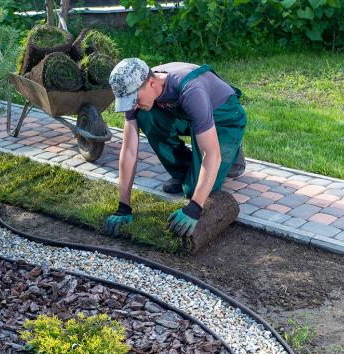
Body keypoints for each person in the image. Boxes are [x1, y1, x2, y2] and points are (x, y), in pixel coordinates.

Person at [104, 58, 247, 238]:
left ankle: (232, 153)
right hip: (191, 114)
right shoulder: (140, 88)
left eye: (134, 99)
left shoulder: (191, 90)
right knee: (147, 116)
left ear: (151, 82)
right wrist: (123, 207)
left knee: (195, 190)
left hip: (224, 117)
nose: (132, 105)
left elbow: (211, 154)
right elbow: (129, 150)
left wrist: (194, 208)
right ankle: (186, 170)